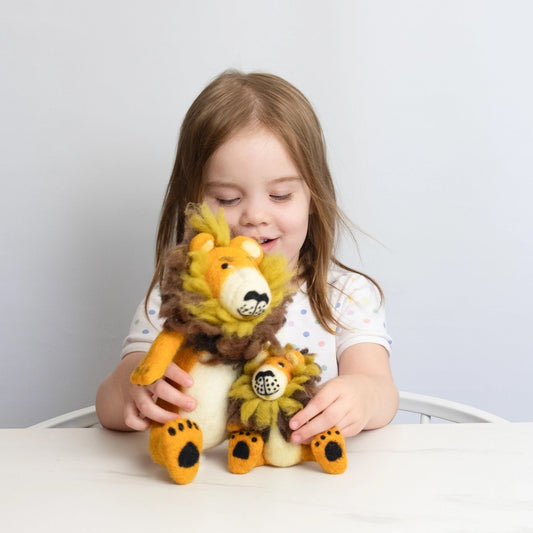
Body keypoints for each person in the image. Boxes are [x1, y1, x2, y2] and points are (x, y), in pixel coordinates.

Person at [96, 70, 398, 444]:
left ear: (313, 199)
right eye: (227, 199)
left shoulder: (346, 296)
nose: (255, 216)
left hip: (311, 489)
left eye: (280, 196)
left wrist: (363, 397)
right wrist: (131, 389)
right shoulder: (175, 301)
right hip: (199, 492)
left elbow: (381, 389)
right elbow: (108, 406)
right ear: (192, 204)